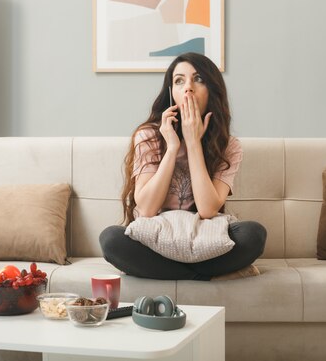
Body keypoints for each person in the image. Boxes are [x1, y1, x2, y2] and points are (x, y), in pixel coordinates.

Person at [99, 52, 266, 281]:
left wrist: (193, 142)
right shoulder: (148, 135)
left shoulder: (229, 146)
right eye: (179, 81)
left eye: (198, 79)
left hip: (203, 238)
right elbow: (147, 209)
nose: (188, 88)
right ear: (171, 93)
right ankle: (203, 276)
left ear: (212, 90)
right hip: (155, 237)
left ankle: (167, 274)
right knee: (111, 240)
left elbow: (208, 210)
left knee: (254, 235)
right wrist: (171, 148)